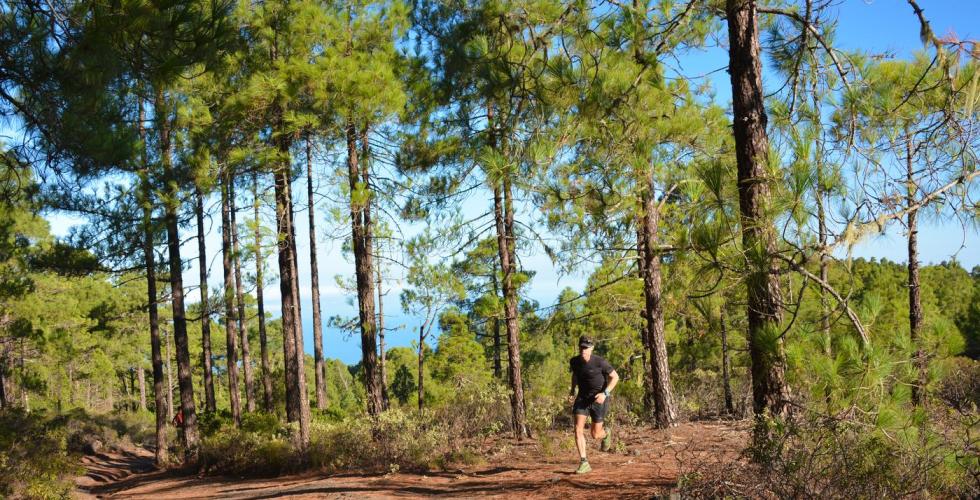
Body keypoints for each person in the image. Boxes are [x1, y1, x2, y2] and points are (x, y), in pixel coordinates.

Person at [568, 335, 619, 474]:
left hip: (599, 399)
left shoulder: (600, 362)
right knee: (578, 429)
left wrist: (605, 393)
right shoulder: (574, 361)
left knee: (595, 435)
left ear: (591, 348)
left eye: (586, 347)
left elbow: (615, 377)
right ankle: (584, 462)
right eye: (581, 347)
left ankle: (606, 433)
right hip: (582, 398)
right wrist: (573, 390)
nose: (583, 350)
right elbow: (575, 375)